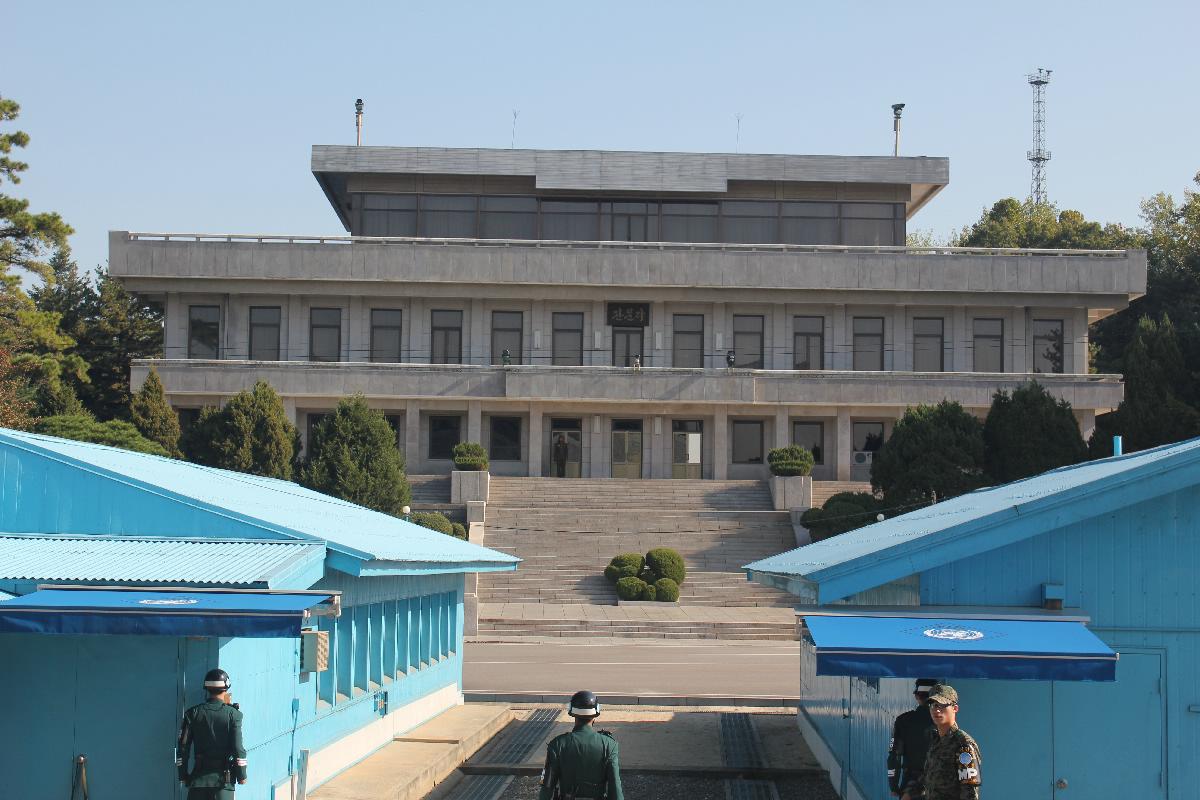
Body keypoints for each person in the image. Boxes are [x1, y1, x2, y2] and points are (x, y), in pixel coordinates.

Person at [539, 690, 623, 800]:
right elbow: (615, 788)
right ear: (595, 714)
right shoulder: (609, 745)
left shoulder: (557, 744)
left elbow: (547, 787)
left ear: (572, 713)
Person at [177, 668, 247, 799]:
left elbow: (183, 748)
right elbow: (238, 748)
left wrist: (182, 775)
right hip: (224, 783)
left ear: (207, 689)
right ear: (226, 688)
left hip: (197, 780)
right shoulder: (233, 714)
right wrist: (242, 775)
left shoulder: (192, 713)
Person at [921, 684, 981, 800]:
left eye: (942, 705)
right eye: (933, 705)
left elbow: (970, 792)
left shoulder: (963, 743)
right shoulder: (936, 741)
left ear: (955, 708)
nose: (936, 710)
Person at [887, 678, 938, 798]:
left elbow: (894, 758)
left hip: (911, 783)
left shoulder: (903, 721)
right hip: (938, 784)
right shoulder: (943, 723)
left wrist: (893, 786)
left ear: (917, 696)